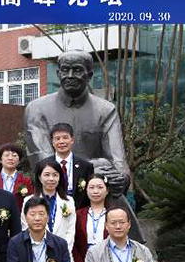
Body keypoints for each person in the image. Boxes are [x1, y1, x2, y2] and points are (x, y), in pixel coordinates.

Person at [24, 50, 130, 197]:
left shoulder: (106, 110)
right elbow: (44, 162)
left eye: (77, 70)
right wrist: (91, 168)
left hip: (97, 190)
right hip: (55, 191)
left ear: (89, 75)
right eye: (65, 70)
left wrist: (121, 179)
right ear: (58, 73)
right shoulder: (36, 109)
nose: (70, 76)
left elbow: (117, 160)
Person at [22, 160, 76, 262]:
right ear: (39, 177)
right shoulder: (28, 200)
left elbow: (71, 231)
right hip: (37, 256)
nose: (51, 179)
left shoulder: (69, 201)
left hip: (63, 257)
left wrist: (62, 251)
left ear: (60, 178)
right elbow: (25, 228)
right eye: (47, 175)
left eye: (55, 175)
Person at [39, 123, 94, 210]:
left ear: (72, 140)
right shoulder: (43, 165)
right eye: (57, 138)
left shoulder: (86, 166)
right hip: (51, 209)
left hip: (79, 211)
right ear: (52, 142)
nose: (61, 142)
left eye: (65, 138)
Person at [0, 143, 34, 211]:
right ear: (0, 160)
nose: (10, 158)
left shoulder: (26, 181)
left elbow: (30, 203)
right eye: (7, 155)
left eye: (14, 155)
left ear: (19, 161)